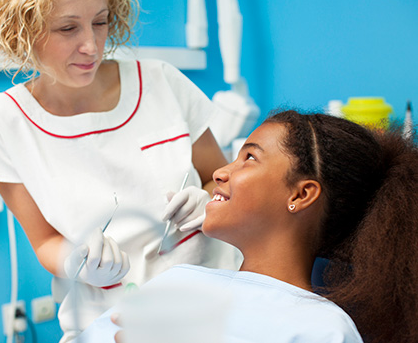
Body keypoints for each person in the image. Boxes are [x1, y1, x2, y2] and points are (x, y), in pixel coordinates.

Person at [0, 0, 241, 340]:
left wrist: (209, 201)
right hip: (109, 319)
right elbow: (45, 241)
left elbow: (222, 180)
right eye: (68, 28)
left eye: (101, 22)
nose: (91, 45)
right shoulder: (0, 123)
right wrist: (76, 263)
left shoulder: (161, 81)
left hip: (211, 305)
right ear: (21, 31)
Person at [75, 109, 418, 343]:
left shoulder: (321, 328)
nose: (220, 172)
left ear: (301, 194)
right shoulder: (175, 284)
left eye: (249, 158)